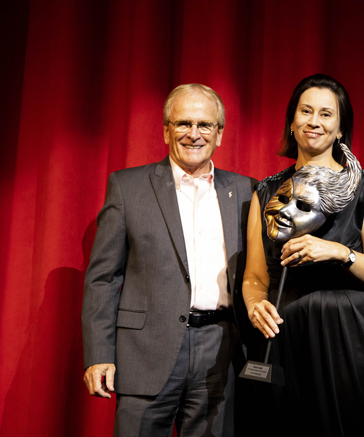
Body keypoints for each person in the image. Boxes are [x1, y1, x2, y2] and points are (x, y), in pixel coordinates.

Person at [81, 83, 255, 436]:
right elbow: (104, 278)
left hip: (221, 351)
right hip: (146, 352)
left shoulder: (248, 191)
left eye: (205, 125)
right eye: (183, 124)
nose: (194, 134)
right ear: (166, 130)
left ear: (219, 134)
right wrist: (100, 353)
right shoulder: (128, 187)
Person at [242, 74, 364, 436]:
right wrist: (253, 304)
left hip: (349, 334)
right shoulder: (265, 192)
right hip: (285, 330)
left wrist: (339, 252)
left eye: (326, 114)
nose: (314, 121)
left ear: (340, 129)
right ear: (291, 122)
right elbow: (255, 276)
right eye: (306, 111)